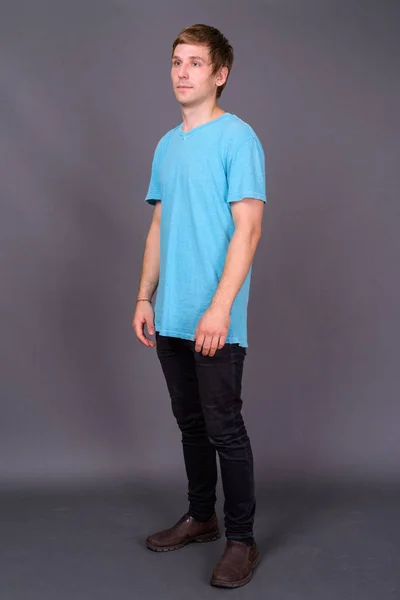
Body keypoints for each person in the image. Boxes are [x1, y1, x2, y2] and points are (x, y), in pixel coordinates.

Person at [132, 23, 266, 589]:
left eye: (194, 63)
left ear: (220, 74)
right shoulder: (167, 144)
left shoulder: (239, 139)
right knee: (189, 425)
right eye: (175, 62)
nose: (182, 72)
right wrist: (144, 296)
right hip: (172, 315)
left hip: (216, 318)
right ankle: (201, 516)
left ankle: (241, 539)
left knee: (223, 428)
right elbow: (159, 225)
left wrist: (219, 308)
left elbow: (249, 229)